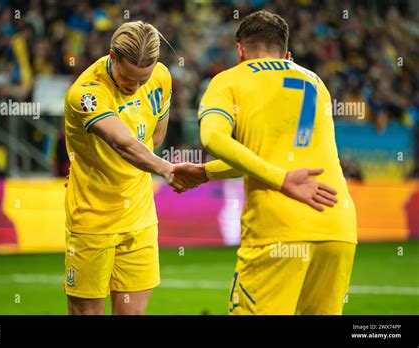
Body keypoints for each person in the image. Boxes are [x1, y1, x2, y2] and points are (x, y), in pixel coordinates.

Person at [64, 20, 339, 316]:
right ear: (113, 57)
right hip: (93, 218)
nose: (134, 86)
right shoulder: (87, 93)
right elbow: (122, 142)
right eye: (128, 78)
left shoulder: (160, 77)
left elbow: (154, 137)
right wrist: (168, 169)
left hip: (140, 215)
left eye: (142, 80)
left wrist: (136, 164)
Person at [197, 10, 357, 314]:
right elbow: (273, 152)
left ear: (240, 50)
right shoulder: (316, 82)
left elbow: (213, 139)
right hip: (337, 226)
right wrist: (206, 172)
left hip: (278, 229)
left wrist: (282, 180)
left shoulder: (230, 79)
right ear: (287, 54)